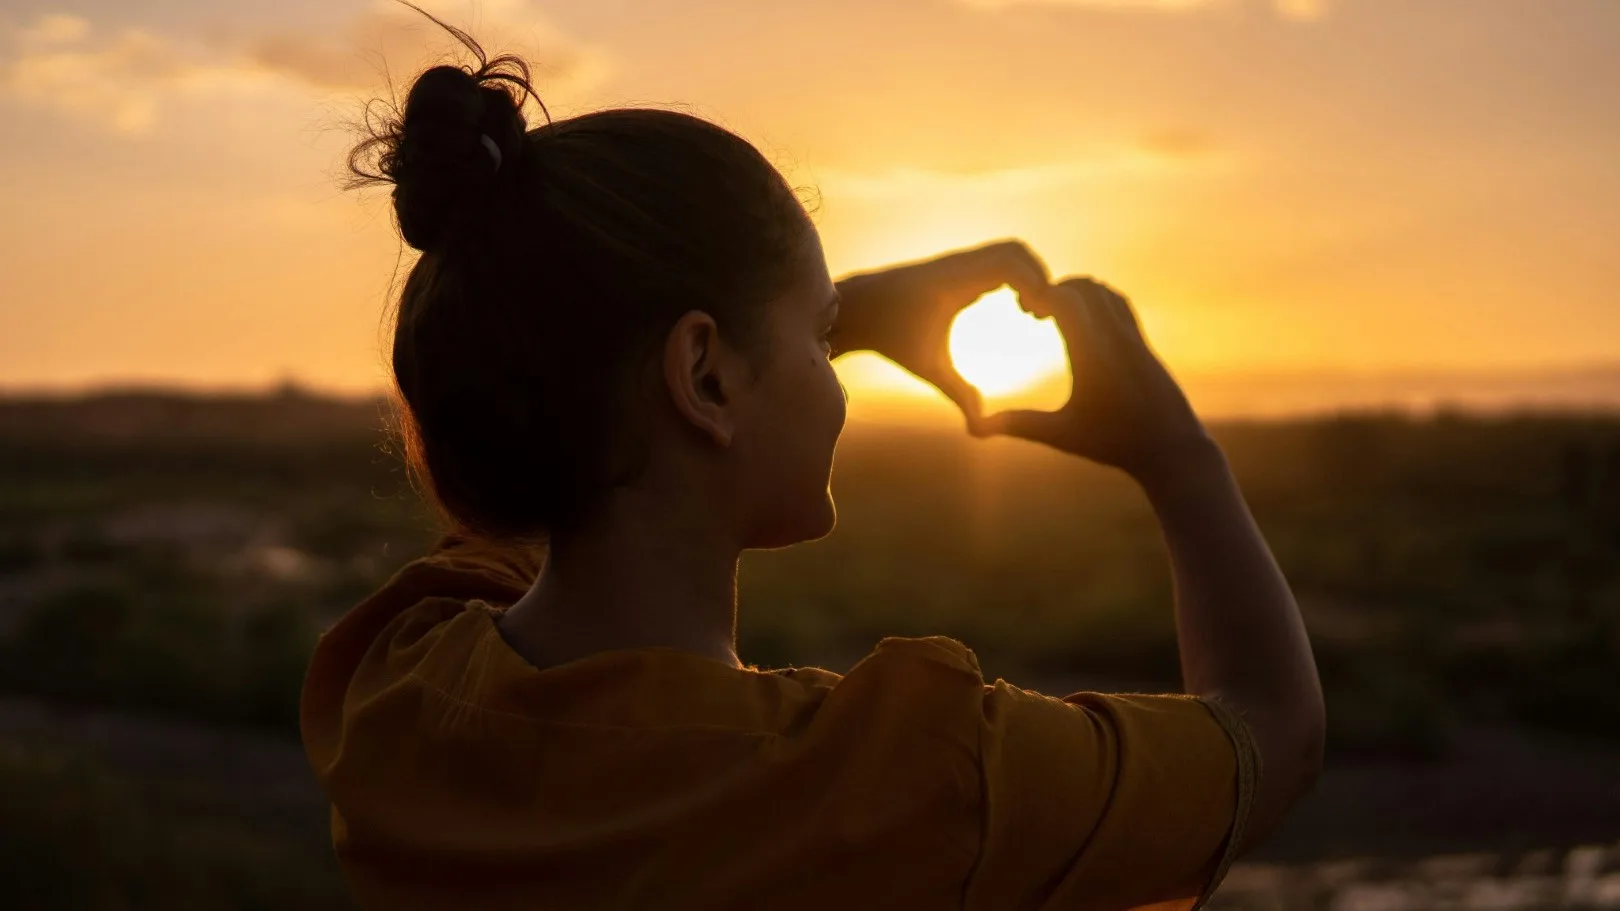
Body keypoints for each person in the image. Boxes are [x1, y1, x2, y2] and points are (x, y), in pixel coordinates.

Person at [299, 20, 1325, 911]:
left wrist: (804, 324)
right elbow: (1269, 731)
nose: (836, 376)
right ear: (703, 374)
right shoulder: (909, 777)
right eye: (821, 336)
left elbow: (540, 430)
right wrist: (1177, 455)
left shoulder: (399, 688)